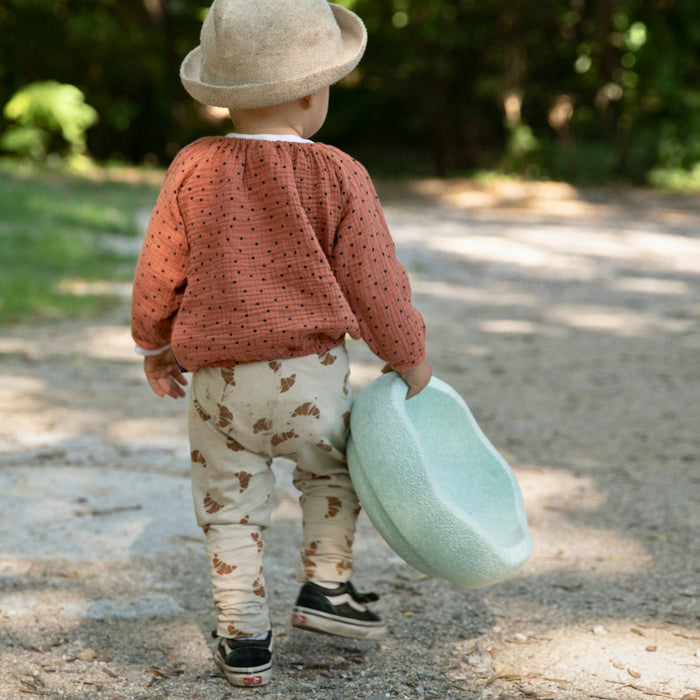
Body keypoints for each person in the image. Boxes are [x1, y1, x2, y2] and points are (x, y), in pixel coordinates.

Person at [131, 0, 431, 688]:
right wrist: (409, 354)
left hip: (219, 387)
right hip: (311, 375)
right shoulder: (338, 173)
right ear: (308, 91)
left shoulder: (194, 166)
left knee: (229, 506)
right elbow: (375, 281)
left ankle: (243, 637)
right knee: (331, 472)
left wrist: (153, 342)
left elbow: (160, 268)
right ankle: (326, 587)